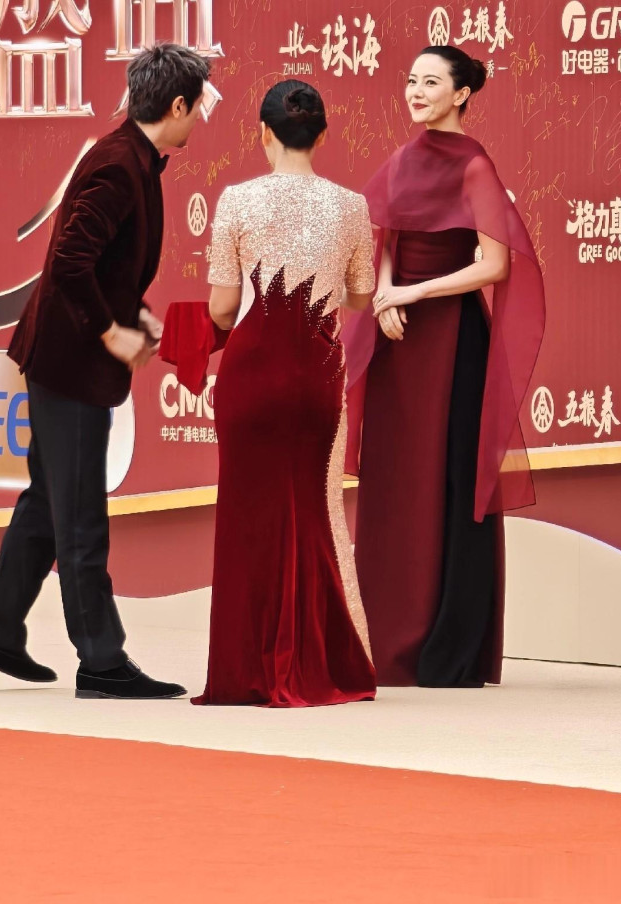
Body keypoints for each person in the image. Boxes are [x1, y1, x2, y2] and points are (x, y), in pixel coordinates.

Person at [0, 44, 211, 699]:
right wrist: (110, 331)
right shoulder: (118, 164)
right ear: (177, 105)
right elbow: (71, 260)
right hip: (70, 360)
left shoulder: (132, 158)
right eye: (198, 107)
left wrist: (135, 317)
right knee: (79, 516)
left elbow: (102, 264)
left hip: (64, 355)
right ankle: (101, 661)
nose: (199, 119)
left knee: (49, 501)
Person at [345, 46, 545, 688]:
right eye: (411, 80)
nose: (416, 90)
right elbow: (383, 235)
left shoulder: (474, 165)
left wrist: (413, 292)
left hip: (453, 340)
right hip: (398, 344)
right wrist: (384, 295)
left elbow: (495, 264)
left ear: (461, 94)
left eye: (431, 82)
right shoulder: (402, 158)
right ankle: (385, 640)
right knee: (395, 482)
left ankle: (446, 648)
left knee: (452, 482)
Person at [191, 80, 377, 707]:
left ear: (263, 133)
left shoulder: (236, 200)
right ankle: (318, 661)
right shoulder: (351, 206)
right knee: (316, 509)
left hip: (251, 375)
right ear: (321, 135)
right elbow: (361, 295)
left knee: (247, 519)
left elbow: (221, 308)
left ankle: (246, 669)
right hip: (317, 376)